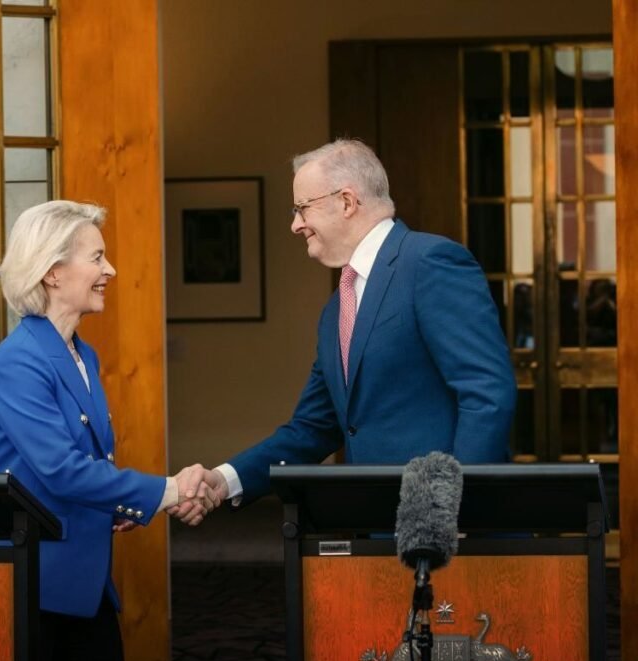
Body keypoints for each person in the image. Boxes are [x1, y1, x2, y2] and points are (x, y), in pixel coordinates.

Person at [199, 139, 516, 506]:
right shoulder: (337, 308)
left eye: (302, 209)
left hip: (450, 536)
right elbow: (314, 427)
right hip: (376, 531)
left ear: (347, 202)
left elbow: (487, 393)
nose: (296, 225)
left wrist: (455, 508)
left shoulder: (429, 262)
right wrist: (224, 480)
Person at [0, 200, 216, 661]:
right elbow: (62, 471)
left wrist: (116, 507)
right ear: (52, 272)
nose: (110, 269)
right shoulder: (19, 361)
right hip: (39, 586)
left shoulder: (81, 353)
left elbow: (89, 462)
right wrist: (168, 492)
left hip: (82, 583)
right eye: (96, 257)